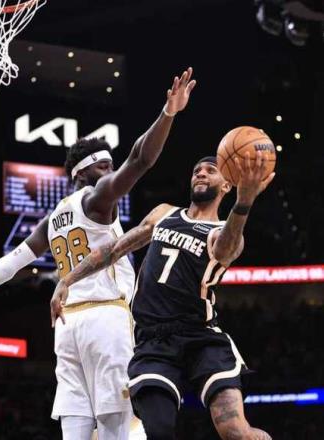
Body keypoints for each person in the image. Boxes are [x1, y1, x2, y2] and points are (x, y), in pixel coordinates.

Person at [0, 67, 197, 440]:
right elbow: (140, 159)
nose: (112, 172)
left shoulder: (52, 219)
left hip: (67, 326)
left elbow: (9, 265)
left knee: (75, 429)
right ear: (83, 173)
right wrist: (168, 113)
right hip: (105, 319)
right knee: (119, 428)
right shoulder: (97, 198)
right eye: (105, 166)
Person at [50, 152, 275, 439]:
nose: (201, 173)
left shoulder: (224, 231)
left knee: (235, 431)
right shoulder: (164, 213)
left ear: (226, 185)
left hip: (201, 336)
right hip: (153, 341)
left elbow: (225, 251)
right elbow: (114, 249)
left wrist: (244, 203)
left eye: (210, 170)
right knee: (158, 431)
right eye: (197, 170)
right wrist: (67, 279)